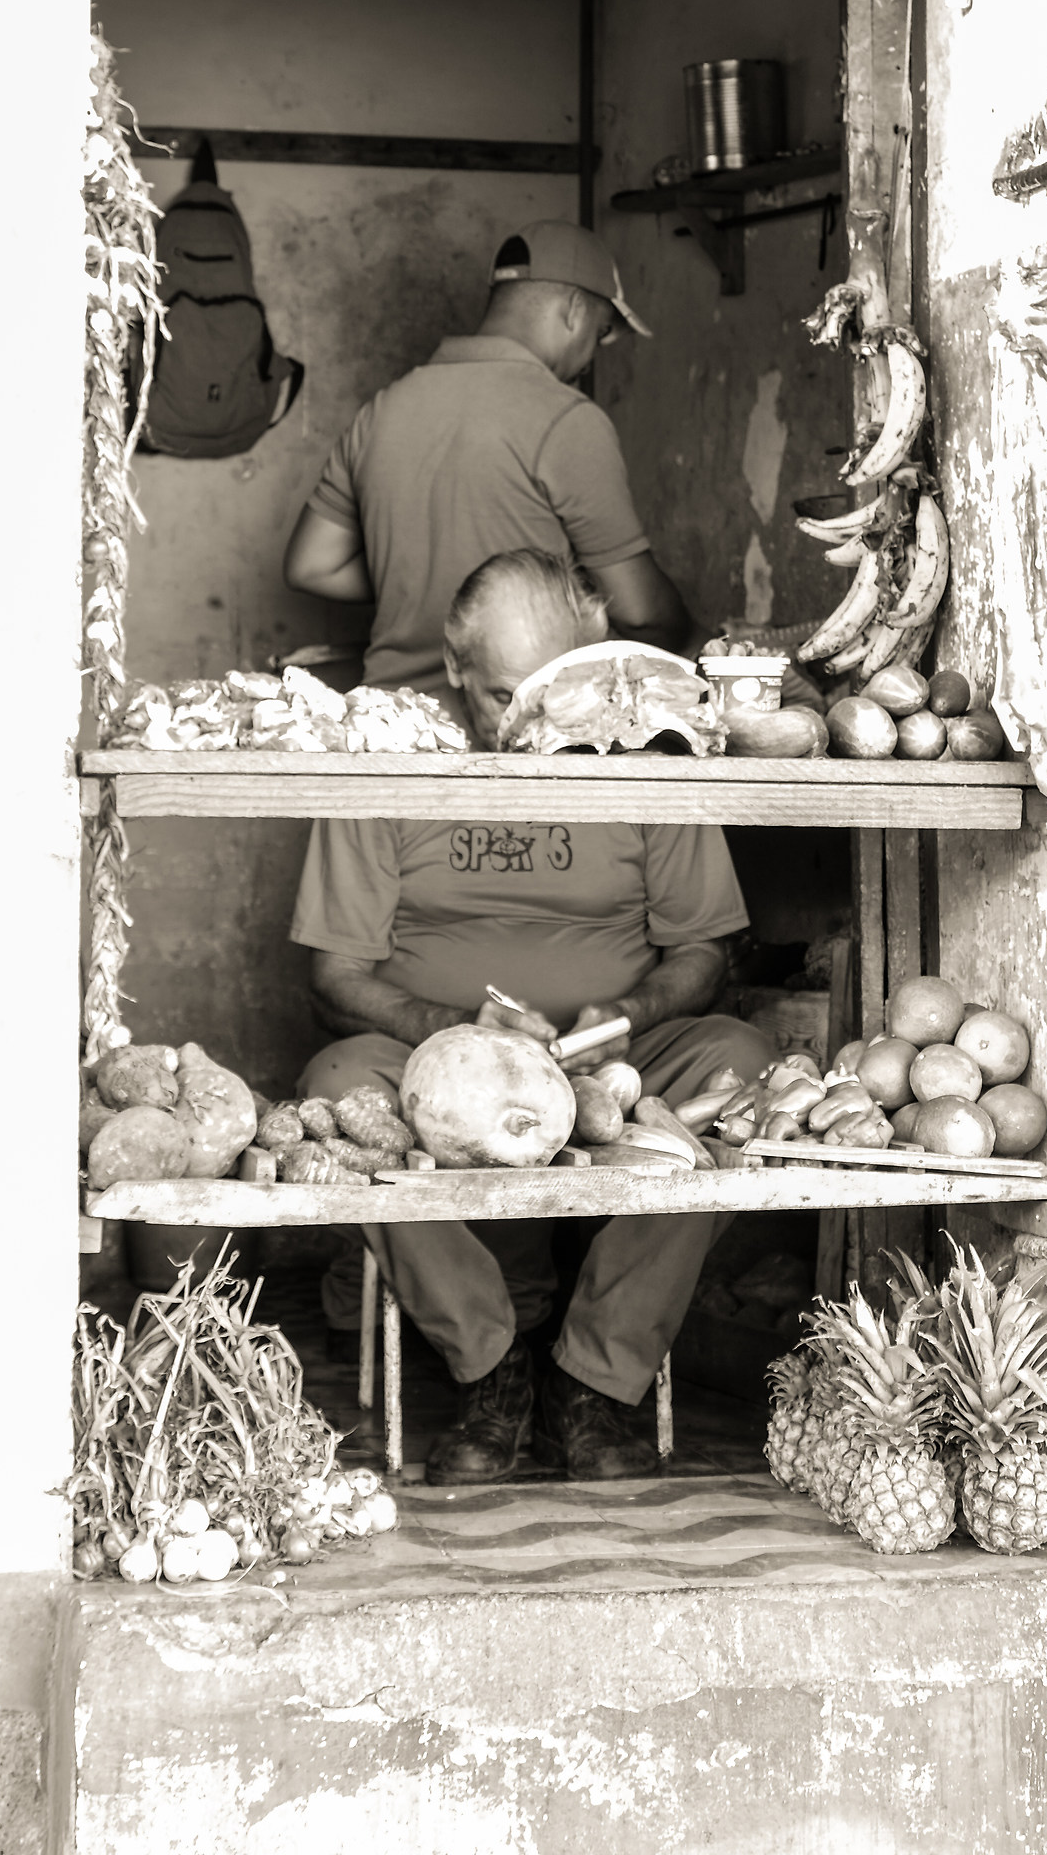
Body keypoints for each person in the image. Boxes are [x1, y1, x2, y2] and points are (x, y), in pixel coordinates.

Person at [290, 549, 771, 1484]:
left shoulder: (646, 752)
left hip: (613, 1054)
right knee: (339, 1086)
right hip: (436, 1054)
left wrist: (629, 1012)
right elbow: (333, 976)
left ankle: (597, 1376)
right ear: (455, 665)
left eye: (557, 692)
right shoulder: (389, 754)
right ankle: (489, 1364)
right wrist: (455, 1025)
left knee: (741, 1069)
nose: (528, 725)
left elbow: (703, 954)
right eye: (504, 695)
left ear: (596, 656)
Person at [283, 219, 690, 697]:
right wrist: (696, 635)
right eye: (601, 334)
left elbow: (312, 565)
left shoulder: (384, 408)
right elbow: (643, 614)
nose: (590, 358)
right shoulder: (566, 418)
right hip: (515, 728)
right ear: (575, 310)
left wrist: (422, 580)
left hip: (393, 724)